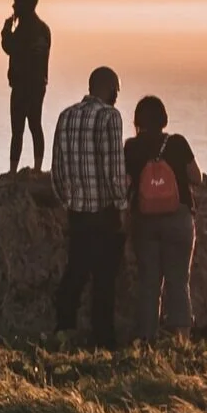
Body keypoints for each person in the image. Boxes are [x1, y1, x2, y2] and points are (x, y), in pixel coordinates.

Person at [48, 66, 128, 345]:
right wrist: (122, 204)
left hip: (77, 211)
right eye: (116, 88)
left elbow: (56, 167)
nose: (118, 95)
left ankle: (63, 328)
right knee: (104, 280)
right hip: (104, 213)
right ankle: (102, 339)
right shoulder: (109, 117)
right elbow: (113, 169)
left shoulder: (66, 116)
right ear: (106, 88)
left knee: (77, 270)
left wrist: (66, 199)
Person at [121, 95, 201, 343]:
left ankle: (146, 339)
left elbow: (125, 183)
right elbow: (196, 177)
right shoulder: (177, 142)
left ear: (137, 121)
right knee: (178, 281)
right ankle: (182, 339)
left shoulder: (131, 147)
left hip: (145, 220)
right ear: (163, 119)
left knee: (149, 282)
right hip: (178, 219)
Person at [0, 0, 52, 174]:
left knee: (18, 128)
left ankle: (13, 170)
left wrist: (6, 30)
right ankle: (38, 167)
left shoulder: (24, 29)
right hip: (38, 83)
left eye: (16, 4)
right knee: (35, 125)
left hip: (22, 84)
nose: (13, 7)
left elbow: (9, 47)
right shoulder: (43, 29)